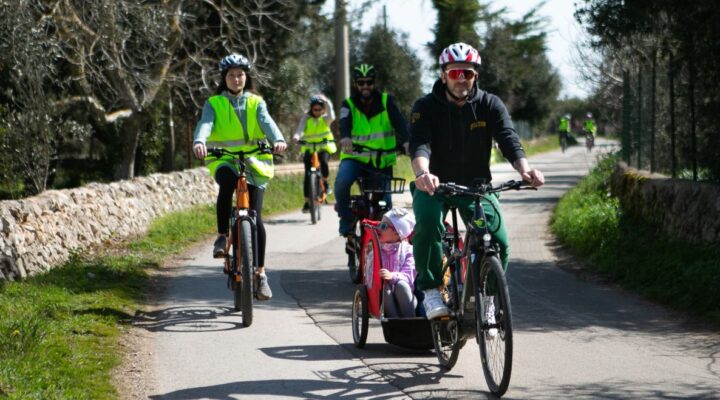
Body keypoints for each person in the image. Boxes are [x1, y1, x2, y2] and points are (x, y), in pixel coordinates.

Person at [408, 42, 545, 320]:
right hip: (435, 186)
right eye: (455, 72)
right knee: (428, 225)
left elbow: (508, 139)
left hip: (476, 187)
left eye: (467, 73)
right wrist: (423, 174)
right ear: (443, 74)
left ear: (476, 76)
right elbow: (419, 145)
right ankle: (432, 291)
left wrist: (525, 170)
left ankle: (489, 299)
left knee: (498, 241)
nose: (461, 79)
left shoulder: (490, 104)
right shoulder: (425, 106)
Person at [192, 53, 287, 300]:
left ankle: (261, 274)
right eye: (232, 75)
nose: (237, 79)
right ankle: (223, 236)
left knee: (256, 219)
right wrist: (200, 141)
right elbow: (205, 124)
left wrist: (278, 139)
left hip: (255, 161)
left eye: (241, 74)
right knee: (227, 184)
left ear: (247, 77)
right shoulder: (215, 103)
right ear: (224, 78)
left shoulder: (256, 102)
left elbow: (267, 123)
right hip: (223, 159)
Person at [334, 63, 410, 240]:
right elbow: (344, 123)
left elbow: (399, 122)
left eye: (369, 82)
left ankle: (385, 246)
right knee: (342, 182)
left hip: (381, 161)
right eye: (361, 83)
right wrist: (345, 137)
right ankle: (346, 219)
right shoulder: (349, 104)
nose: (365, 86)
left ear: (374, 83)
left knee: (386, 206)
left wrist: (407, 141)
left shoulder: (386, 101)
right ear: (356, 84)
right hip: (355, 158)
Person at [292, 94, 337, 213]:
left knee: (323, 163)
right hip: (310, 149)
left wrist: (327, 101)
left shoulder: (326, 119)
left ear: (323, 109)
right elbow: (300, 129)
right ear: (311, 109)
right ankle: (308, 201)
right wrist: (296, 137)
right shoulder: (306, 118)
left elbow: (332, 115)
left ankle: (325, 183)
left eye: (320, 109)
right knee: (307, 175)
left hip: (324, 147)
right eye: (314, 109)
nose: (317, 112)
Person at [377, 207, 417, 318]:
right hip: (383, 297)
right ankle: (395, 325)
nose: (379, 229)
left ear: (397, 233)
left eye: (383, 226)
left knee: (401, 284)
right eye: (379, 225)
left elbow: (408, 276)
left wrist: (392, 276)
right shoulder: (376, 250)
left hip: (406, 297)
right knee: (385, 288)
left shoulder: (409, 250)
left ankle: (411, 324)